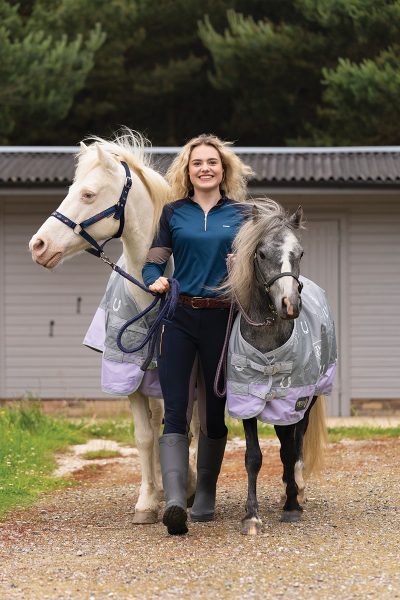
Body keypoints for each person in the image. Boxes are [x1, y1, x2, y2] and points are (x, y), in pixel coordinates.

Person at [142, 134, 253, 535]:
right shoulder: (173, 213)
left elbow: (258, 266)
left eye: (212, 162)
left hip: (223, 321)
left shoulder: (242, 214)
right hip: (179, 318)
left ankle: (205, 493)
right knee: (174, 408)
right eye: (197, 163)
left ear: (224, 170)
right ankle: (175, 499)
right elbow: (153, 263)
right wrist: (155, 281)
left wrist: (244, 266)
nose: (205, 168)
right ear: (187, 171)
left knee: (213, 409)